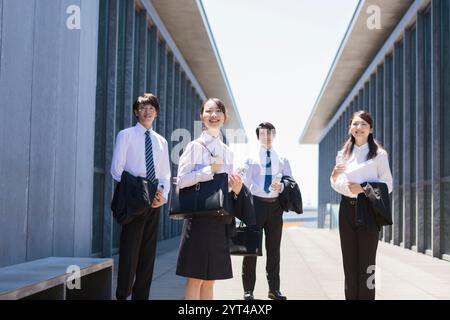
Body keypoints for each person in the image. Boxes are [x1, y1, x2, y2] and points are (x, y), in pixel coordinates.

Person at [175, 98, 245, 300]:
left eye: (218, 111)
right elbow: (180, 181)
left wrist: (237, 187)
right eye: (209, 111)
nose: (213, 115)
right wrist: (208, 171)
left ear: (224, 117)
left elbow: (228, 190)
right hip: (198, 219)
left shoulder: (228, 152)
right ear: (201, 117)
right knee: (195, 278)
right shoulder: (194, 146)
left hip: (220, 219)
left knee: (210, 279)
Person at [111, 93, 171, 300]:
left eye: (151, 108)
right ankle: (122, 296)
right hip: (134, 200)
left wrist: (163, 195)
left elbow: (165, 174)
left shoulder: (161, 141)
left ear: (156, 112)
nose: (147, 111)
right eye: (143, 108)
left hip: (154, 202)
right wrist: (140, 190)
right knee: (129, 255)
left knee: (148, 256)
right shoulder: (125, 135)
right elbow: (116, 170)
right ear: (137, 112)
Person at [330, 110, 393, 300]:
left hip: (368, 211)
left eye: (364, 124)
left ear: (370, 129)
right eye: (355, 124)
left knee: (368, 266)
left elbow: (388, 184)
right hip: (346, 210)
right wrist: (335, 178)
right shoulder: (342, 155)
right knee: (349, 265)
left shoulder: (379, 155)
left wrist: (364, 189)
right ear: (350, 128)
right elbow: (336, 182)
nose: (359, 128)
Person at [241, 122, 292, 300]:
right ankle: (248, 290)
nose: (267, 136)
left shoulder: (283, 159)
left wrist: (282, 185)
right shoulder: (250, 158)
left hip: (275, 206)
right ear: (258, 137)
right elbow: (245, 186)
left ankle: (274, 289)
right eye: (263, 133)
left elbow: (290, 182)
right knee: (250, 250)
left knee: (274, 250)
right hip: (255, 205)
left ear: (274, 134)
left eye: (270, 133)